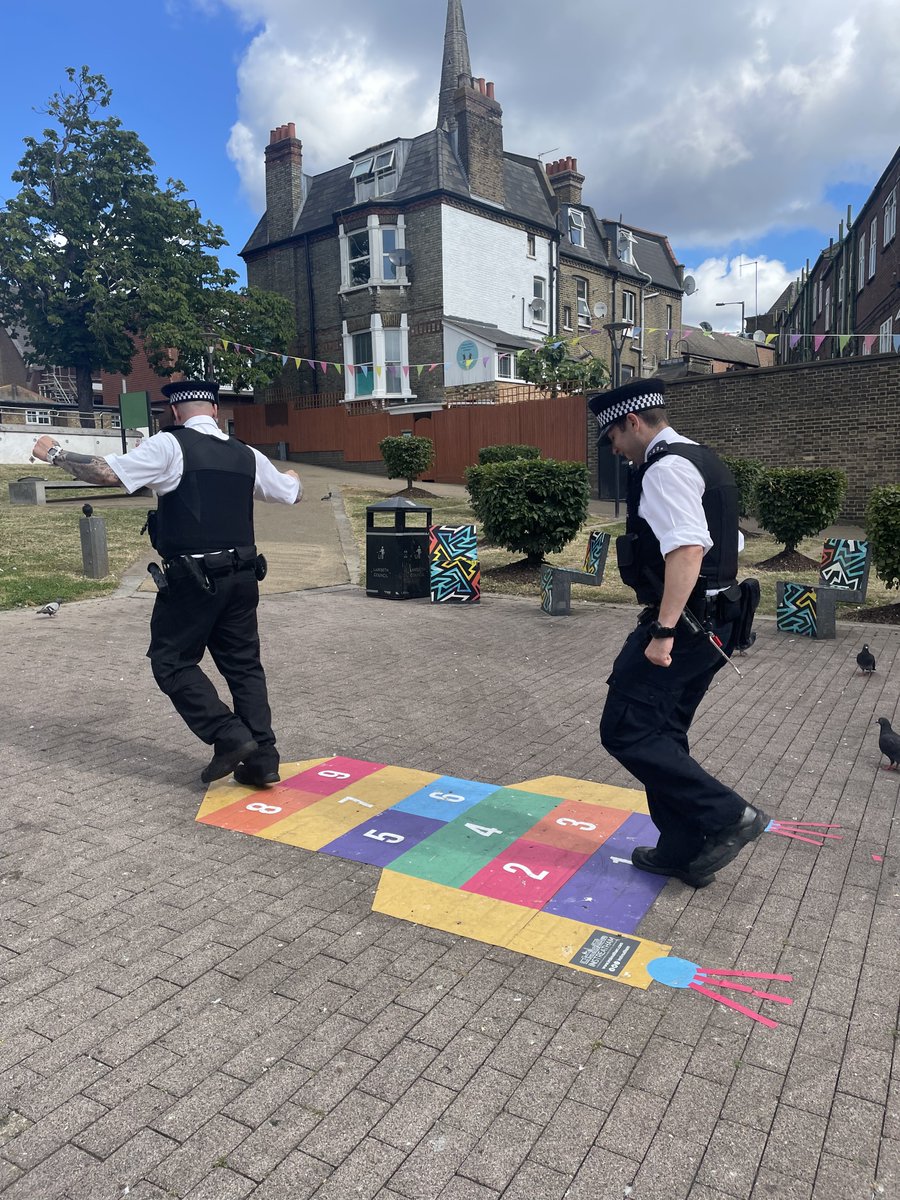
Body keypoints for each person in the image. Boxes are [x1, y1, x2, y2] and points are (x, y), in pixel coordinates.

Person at [32, 380, 302, 788]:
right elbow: (291, 494)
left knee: (171, 661)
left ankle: (230, 736)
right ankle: (263, 758)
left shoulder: (169, 445)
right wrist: (294, 477)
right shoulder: (245, 453)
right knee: (244, 667)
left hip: (194, 580)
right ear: (214, 411)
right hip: (244, 576)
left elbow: (107, 473)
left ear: (175, 413)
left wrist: (54, 452)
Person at [588, 378, 768, 888]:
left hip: (686, 625)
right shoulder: (703, 459)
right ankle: (683, 849)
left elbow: (688, 549)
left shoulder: (665, 469)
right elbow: (725, 540)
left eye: (613, 439)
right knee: (663, 732)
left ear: (632, 422)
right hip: (719, 619)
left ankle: (728, 816)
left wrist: (664, 630)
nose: (616, 451)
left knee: (626, 728)